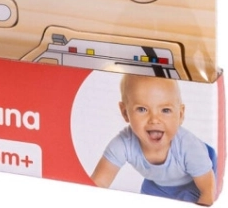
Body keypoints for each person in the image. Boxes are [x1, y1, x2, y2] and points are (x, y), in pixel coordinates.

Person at [91, 75, 215, 205]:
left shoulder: (191, 148)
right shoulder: (124, 143)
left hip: (198, 180)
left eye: (165, 110)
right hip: (158, 183)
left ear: (180, 114)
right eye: (142, 109)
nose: (154, 120)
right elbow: (98, 183)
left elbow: (208, 192)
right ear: (125, 112)